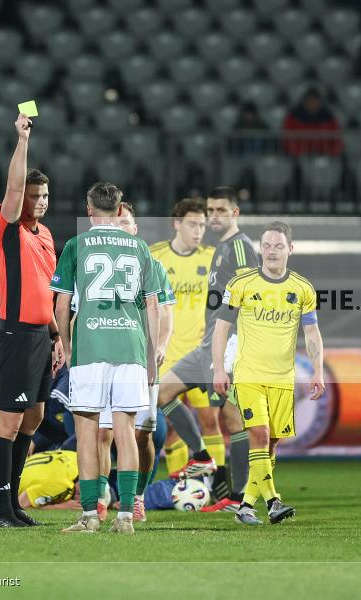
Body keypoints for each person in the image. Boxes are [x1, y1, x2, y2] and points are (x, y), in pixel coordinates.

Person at [52, 182, 160, 535]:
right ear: (118, 211)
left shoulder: (75, 245)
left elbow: (61, 304)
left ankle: (89, 516)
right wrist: (151, 355)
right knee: (125, 432)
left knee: (87, 434)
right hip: (130, 346)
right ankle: (126, 515)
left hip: (92, 346)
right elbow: (152, 306)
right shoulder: (140, 247)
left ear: (89, 211)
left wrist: (66, 347)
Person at [213, 221, 325, 526]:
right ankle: (273, 501)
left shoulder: (302, 288)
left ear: (291, 249)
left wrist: (317, 370)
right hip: (248, 374)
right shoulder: (242, 284)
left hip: (282, 378)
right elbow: (221, 328)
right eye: (266, 245)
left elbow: (312, 333)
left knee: (270, 444)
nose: (271, 251)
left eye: (278, 246)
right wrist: (221, 367)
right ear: (259, 248)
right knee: (259, 435)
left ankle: (245, 506)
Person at [156, 187, 260, 514]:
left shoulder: (239, 248)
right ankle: (201, 457)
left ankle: (238, 496)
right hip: (207, 346)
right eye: (210, 211)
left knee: (230, 418)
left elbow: (250, 297)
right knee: (162, 394)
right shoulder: (222, 248)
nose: (213, 217)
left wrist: (232, 349)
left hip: (227, 347)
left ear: (235, 214)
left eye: (220, 211)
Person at [0, 113, 65, 528]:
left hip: (39, 336)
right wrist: (22, 139)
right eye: (34, 196)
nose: (39, 201)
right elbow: (14, 187)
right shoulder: (8, 229)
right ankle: (2, 512)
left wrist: (56, 336)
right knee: (10, 420)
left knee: (33, 419)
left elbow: (48, 293)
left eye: (45, 196)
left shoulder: (47, 234)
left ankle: (13, 505)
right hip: (15, 335)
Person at [93, 201, 175, 524]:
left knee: (144, 435)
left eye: (126, 223)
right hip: (107, 355)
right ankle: (100, 498)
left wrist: (161, 345)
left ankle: (138, 496)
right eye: (116, 223)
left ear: (135, 228)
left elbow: (164, 312)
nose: (122, 228)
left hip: (143, 359)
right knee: (103, 432)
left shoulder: (151, 265)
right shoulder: (98, 264)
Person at [150, 199, 229, 496]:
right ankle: (180, 486)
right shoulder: (155, 256)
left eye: (202, 226)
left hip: (202, 353)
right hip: (166, 355)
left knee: (210, 419)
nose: (199, 231)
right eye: (193, 224)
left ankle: (218, 483)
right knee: (171, 424)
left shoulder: (213, 257)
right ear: (177, 223)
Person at [0, 365, 71, 488]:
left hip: (50, 440)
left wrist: (34, 440)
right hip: (14, 436)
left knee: (69, 446)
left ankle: (63, 487)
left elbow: (61, 422)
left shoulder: (64, 377)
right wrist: (16, 442)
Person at [281, 88, 342, 157]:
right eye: (309, 101)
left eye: (315, 100)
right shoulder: (294, 116)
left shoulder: (328, 117)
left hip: (325, 156)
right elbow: (287, 138)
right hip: (297, 156)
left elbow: (336, 139)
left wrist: (330, 152)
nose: (312, 103)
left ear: (320, 102)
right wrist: (299, 153)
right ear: (304, 102)